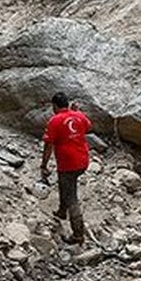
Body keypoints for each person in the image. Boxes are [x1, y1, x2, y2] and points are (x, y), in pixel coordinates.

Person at [40, 92, 91, 244]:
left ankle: (78, 235)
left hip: (68, 163)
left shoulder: (55, 120)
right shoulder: (79, 116)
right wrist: (76, 112)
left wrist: (43, 164)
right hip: (82, 160)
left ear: (55, 106)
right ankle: (62, 211)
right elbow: (88, 126)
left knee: (72, 198)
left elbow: (48, 145)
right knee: (65, 183)